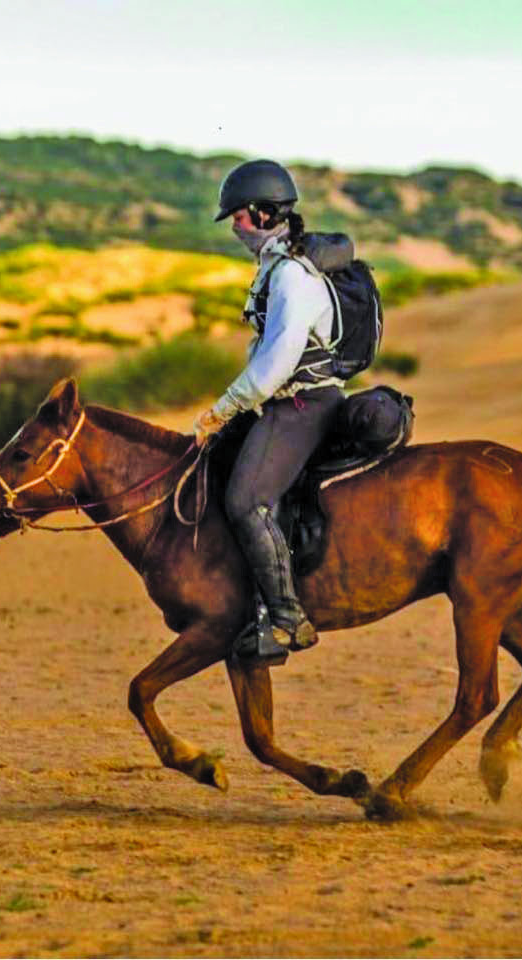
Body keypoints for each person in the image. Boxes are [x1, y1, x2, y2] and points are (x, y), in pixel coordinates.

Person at [193, 159, 346, 665]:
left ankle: (285, 618)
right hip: (281, 400)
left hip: (301, 404)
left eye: (237, 216)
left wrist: (223, 409)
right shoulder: (274, 267)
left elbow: (278, 360)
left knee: (245, 501)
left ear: (262, 213)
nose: (233, 226)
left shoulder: (292, 277)